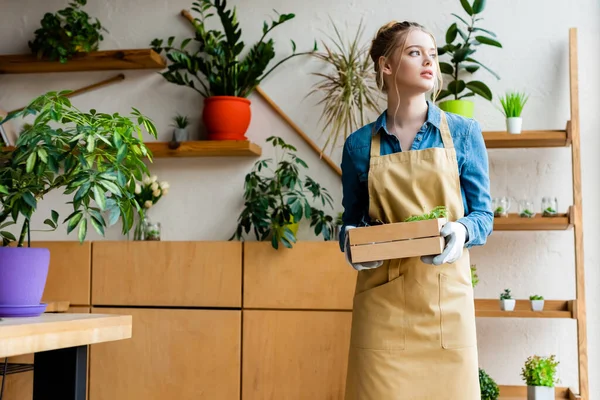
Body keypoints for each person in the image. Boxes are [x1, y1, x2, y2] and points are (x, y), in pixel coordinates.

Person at [339, 21, 493, 399]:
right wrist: (352, 245)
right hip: (382, 308)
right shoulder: (359, 146)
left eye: (432, 53)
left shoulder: (462, 133)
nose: (429, 60)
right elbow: (352, 221)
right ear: (386, 66)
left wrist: (461, 232)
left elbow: (483, 216)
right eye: (414, 52)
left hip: (445, 305)